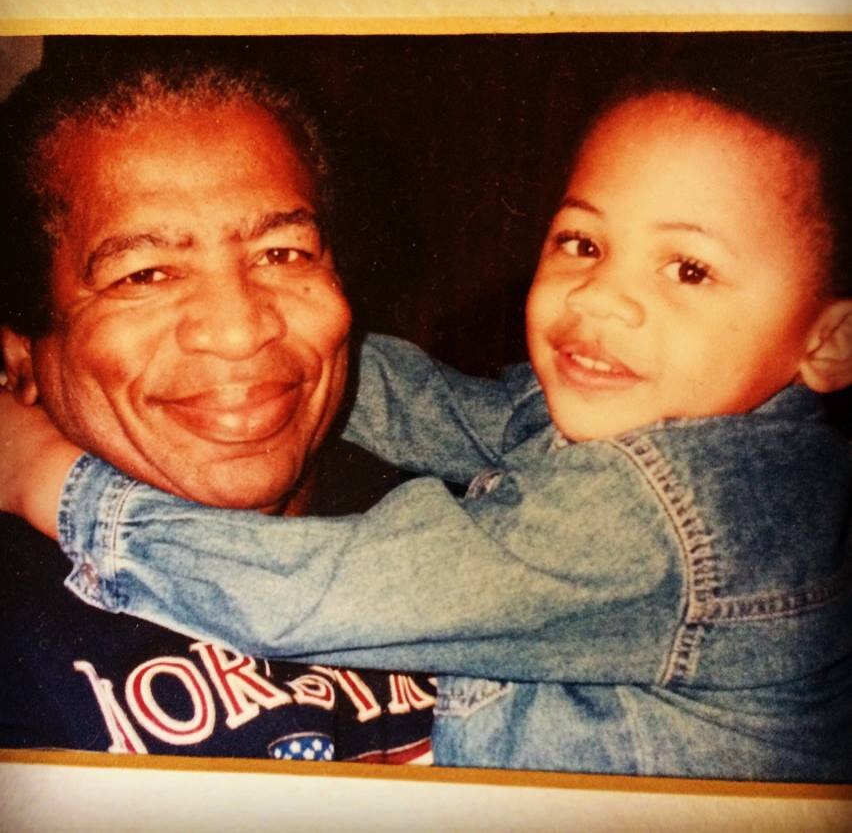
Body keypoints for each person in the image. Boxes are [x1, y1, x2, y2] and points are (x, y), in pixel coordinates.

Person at [4, 61, 852, 781]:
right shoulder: (636, 415)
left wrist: (44, 475)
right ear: (17, 353)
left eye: (691, 269)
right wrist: (284, 365)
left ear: (830, 341)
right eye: (582, 244)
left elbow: (307, 596)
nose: (242, 329)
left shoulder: (677, 514)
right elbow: (451, 407)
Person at [0, 55, 435, 763]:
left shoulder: (474, 526)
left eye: (283, 253)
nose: (240, 329)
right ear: (21, 353)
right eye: (145, 274)